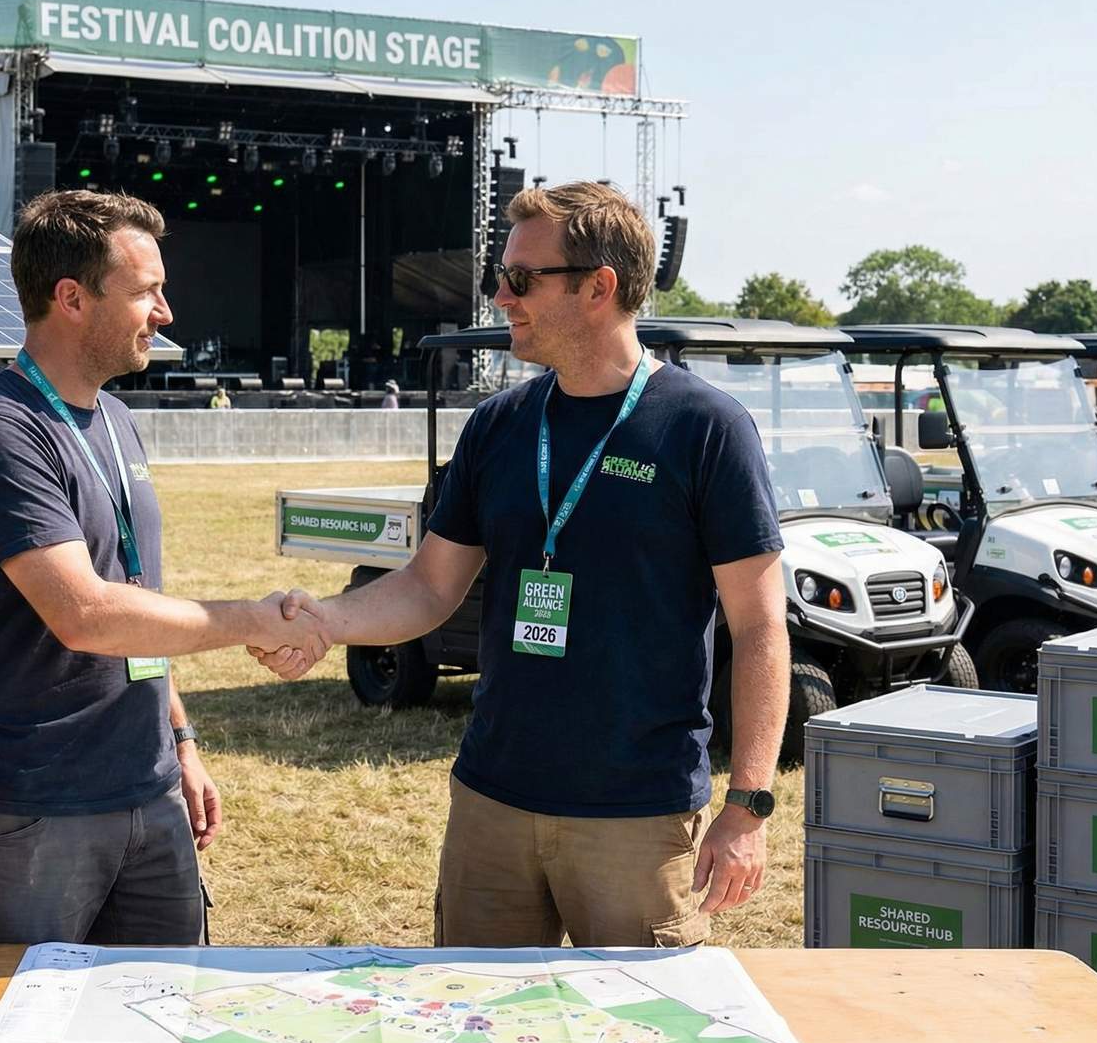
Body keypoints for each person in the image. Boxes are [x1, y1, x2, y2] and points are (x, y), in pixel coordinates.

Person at [254, 181, 789, 948]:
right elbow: (429, 585)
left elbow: (761, 625)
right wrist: (324, 622)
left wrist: (750, 804)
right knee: (472, 1013)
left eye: (520, 278)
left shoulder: (705, 428)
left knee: (632, 1020)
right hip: (492, 801)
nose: (500, 297)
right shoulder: (499, 425)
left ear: (598, 287)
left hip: (635, 814)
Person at [0, 189, 330, 948]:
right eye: (147, 291)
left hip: (148, 791)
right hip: (33, 808)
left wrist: (181, 740)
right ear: (72, 298)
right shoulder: (0, 430)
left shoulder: (115, 419)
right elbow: (86, 615)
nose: (165, 312)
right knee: (23, 1014)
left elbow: (135, 596)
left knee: (167, 1006)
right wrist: (253, 620)